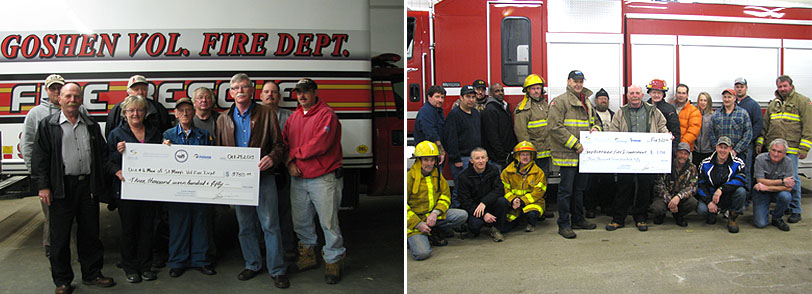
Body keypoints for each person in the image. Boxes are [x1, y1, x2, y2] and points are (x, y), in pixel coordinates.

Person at [32, 83, 116, 294]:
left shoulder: (91, 125)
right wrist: (43, 186)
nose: (72, 100)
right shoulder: (47, 125)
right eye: (68, 96)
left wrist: (116, 170)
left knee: (90, 234)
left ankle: (92, 273)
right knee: (59, 237)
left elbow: (102, 156)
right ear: (59, 99)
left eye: (76, 96)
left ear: (81, 99)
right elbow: (39, 159)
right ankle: (62, 281)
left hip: (87, 186)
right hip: (61, 188)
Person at [215, 73, 288, 288]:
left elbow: (279, 146)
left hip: (263, 178)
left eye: (244, 87)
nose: (240, 91)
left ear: (251, 90)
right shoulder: (223, 119)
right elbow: (219, 152)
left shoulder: (266, 114)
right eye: (235, 88)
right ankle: (253, 264)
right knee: (245, 226)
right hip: (237, 181)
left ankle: (277, 270)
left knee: (270, 225)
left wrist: (271, 158)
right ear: (230, 93)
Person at [283, 78, 347, 284]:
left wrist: (293, 155)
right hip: (299, 178)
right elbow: (284, 142)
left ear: (315, 92)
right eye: (299, 92)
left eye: (306, 91)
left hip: (323, 178)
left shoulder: (327, 115)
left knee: (329, 222)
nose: (302, 96)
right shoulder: (293, 118)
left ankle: (333, 260)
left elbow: (320, 145)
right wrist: (289, 163)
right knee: (301, 221)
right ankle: (308, 256)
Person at [22, 74, 88, 259]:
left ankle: (76, 253)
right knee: (53, 221)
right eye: (53, 88)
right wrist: (39, 179)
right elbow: (30, 147)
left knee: (79, 221)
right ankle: (52, 250)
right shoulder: (36, 115)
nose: (57, 91)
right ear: (49, 92)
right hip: (53, 182)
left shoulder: (83, 114)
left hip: (79, 182)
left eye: (60, 87)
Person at [107, 95, 164, 283]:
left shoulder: (155, 132)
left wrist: (167, 148)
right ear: (124, 113)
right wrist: (117, 163)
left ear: (145, 112)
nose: (135, 113)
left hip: (149, 190)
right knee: (129, 230)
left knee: (148, 229)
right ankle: (130, 267)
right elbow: (106, 161)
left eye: (139, 109)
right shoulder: (116, 134)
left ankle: (145, 266)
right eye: (131, 110)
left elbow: (162, 159)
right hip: (127, 189)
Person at [160, 98, 216, 277]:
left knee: (201, 223)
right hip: (177, 190)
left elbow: (213, 160)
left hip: (200, 188)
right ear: (175, 114)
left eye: (188, 110)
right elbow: (160, 162)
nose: (185, 113)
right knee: (178, 225)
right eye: (181, 110)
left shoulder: (204, 134)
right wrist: (163, 149)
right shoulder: (167, 135)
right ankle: (178, 261)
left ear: (193, 113)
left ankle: (202, 260)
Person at [605, 85, 669, 232]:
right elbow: (613, 131)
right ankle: (618, 219)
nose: (634, 95)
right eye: (632, 93)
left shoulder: (653, 111)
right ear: (627, 95)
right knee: (623, 187)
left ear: (642, 95)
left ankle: (641, 218)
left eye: (637, 93)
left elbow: (662, 127)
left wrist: (667, 137)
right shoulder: (621, 112)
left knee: (644, 188)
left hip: (647, 158)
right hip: (625, 158)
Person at [547, 70, 599, 239]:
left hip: (583, 155)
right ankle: (563, 224)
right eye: (575, 81)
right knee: (565, 191)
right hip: (568, 154)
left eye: (580, 81)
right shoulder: (560, 101)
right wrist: (574, 144)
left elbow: (595, 121)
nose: (578, 84)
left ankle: (578, 219)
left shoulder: (587, 101)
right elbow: (554, 127)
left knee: (579, 190)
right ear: (568, 82)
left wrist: (595, 129)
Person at [756, 75, 811, 224]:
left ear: (791, 86)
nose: (782, 89)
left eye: (785, 86)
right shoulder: (774, 104)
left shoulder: (802, 101)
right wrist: (760, 143)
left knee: (793, 179)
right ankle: (785, 206)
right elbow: (766, 126)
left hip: (792, 147)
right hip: (773, 147)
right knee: (778, 178)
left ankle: (795, 210)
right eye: (780, 86)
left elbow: (808, 125)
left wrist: (805, 147)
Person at [407, 141, 467, 260]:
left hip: (432, 217)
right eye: (426, 160)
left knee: (462, 215)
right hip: (414, 222)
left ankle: (432, 231)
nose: (429, 163)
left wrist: (435, 213)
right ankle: (415, 238)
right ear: (419, 160)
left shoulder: (437, 175)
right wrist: (418, 224)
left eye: (432, 160)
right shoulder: (409, 178)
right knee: (422, 254)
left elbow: (445, 196)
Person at [260, 80, 296, 260]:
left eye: (273, 92)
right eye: (266, 92)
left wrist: (289, 162)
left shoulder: (290, 116)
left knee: (284, 208)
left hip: (283, 170)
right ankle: (264, 248)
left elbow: (295, 143)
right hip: (261, 171)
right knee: (263, 213)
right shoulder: (254, 115)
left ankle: (288, 246)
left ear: (279, 96)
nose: (270, 95)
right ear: (260, 96)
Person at [513, 74, 554, 219]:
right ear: (527, 91)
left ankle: (542, 206)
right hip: (533, 154)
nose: (537, 91)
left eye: (538, 88)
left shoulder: (543, 105)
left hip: (545, 152)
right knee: (532, 183)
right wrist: (527, 155)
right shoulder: (523, 109)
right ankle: (533, 211)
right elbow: (521, 133)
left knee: (543, 182)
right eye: (533, 89)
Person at [696, 136, 747, 233]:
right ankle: (713, 212)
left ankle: (733, 217)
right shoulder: (705, 163)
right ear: (716, 147)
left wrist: (721, 189)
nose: (722, 150)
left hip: (728, 195)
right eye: (720, 147)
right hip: (712, 197)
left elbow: (741, 179)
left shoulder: (738, 163)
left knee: (741, 192)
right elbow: (700, 184)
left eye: (725, 148)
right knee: (701, 210)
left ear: (730, 149)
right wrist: (708, 202)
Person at [444, 85, 482, 208]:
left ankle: (468, 216)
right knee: (460, 188)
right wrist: (456, 158)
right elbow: (451, 138)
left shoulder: (476, 113)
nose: (471, 100)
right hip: (462, 159)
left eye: (473, 97)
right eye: (467, 97)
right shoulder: (454, 115)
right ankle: (457, 213)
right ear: (461, 98)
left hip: (475, 159)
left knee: (472, 189)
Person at [456, 148, 504, 241]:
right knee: (475, 226)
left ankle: (496, 229)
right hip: (474, 209)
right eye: (477, 158)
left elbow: (499, 190)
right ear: (471, 161)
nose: (481, 161)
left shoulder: (493, 170)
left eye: (483, 158)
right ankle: (476, 227)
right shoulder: (464, 177)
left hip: (489, 204)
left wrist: (484, 203)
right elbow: (465, 201)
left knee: (502, 201)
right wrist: (484, 214)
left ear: (487, 159)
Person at [497, 141, 546, 234]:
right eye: (522, 154)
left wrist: (523, 201)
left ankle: (530, 223)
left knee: (532, 214)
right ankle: (519, 220)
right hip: (513, 204)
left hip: (532, 203)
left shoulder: (539, 172)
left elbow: (539, 192)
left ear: (532, 156)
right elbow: (504, 189)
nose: (525, 157)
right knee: (505, 227)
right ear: (516, 156)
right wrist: (513, 200)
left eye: (528, 154)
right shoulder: (507, 172)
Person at [105, 75, 172, 136]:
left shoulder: (158, 109)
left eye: (144, 89)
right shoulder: (117, 110)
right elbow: (110, 135)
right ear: (128, 92)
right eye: (136, 89)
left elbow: (167, 133)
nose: (140, 92)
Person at [585, 88, 616, 218]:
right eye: (601, 98)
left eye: (605, 98)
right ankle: (590, 208)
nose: (603, 100)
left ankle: (606, 207)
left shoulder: (615, 115)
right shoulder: (590, 114)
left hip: (610, 155)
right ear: (596, 101)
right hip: (593, 154)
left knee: (608, 182)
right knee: (591, 183)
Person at [650, 142, 699, 227]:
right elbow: (659, 185)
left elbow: (692, 187)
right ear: (676, 153)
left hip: (680, 199)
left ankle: (678, 215)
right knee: (657, 207)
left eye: (685, 154)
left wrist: (678, 197)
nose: (682, 156)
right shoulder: (666, 164)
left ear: (688, 155)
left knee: (693, 202)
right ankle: (661, 215)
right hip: (665, 197)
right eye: (680, 153)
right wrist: (670, 201)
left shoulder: (692, 168)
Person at [752, 139, 794, 231]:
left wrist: (767, 187)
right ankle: (764, 212)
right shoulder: (760, 159)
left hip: (773, 191)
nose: (775, 154)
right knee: (761, 224)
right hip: (761, 193)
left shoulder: (789, 162)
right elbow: (760, 180)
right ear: (769, 150)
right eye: (773, 150)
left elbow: (789, 188)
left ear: (784, 153)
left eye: (779, 152)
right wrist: (782, 181)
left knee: (786, 196)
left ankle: (777, 218)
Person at [734, 78, 763, 205]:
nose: (739, 88)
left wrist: (747, 141)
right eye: (737, 86)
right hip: (732, 147)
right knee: (734, 172)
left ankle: (745, 200)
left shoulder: (753, 105)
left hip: (746, 146)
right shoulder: (732, 103)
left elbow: (757, 125)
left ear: (746, 88)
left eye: (742, 86)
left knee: (745, 172)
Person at [481, 82, 516, 169]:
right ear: (491, 94)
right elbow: (492, 135)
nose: (500, 93)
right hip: (497, 159)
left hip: (506, 156)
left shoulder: (503, 107)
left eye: (502, 90)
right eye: (497, 91)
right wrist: (500, 155)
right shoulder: (490, 110)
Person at [710, 89, 752, 160]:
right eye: (725, 97)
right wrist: (718, 149)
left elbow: (748, 134)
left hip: (738, 154)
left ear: (734, 98)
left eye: (729, 97)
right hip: (720, 154)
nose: (727, 99)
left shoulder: (743, 114)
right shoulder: (716, 114)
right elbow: (711, 134)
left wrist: (736, 150)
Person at [413, 85, 447, 165]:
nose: (440, 100)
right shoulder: (426, 112)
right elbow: (431, 134)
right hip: (428, 156)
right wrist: (441, 152)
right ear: (429, 97)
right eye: (437, 97)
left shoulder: (437, 110)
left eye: (442, 97)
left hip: (432, 154)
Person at [646, 79, 681, 152]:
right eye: (654, 92)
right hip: (646, 147)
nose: (656, 95)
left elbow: (675, 131)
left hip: (664, 149)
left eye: (659, 93)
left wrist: (673, 150)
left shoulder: (669, 109)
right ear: (649, 93)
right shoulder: (643, 108)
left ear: (663, 94)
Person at [673, 84, 702, 150]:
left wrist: (682, 145)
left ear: (687, 95)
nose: (681, 95)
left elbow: (693, 132)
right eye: (679, 93)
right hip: (672, 147)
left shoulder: (694, 111)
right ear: (676, 94)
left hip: (685, 149)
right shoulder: (671, 108)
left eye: (683, 93)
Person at [692, 92, 715, 166]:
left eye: (705, 100)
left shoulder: (713, 116)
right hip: (695, 150)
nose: (703, 103)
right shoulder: (693, 114)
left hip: (708, 151)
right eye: (701, 100)